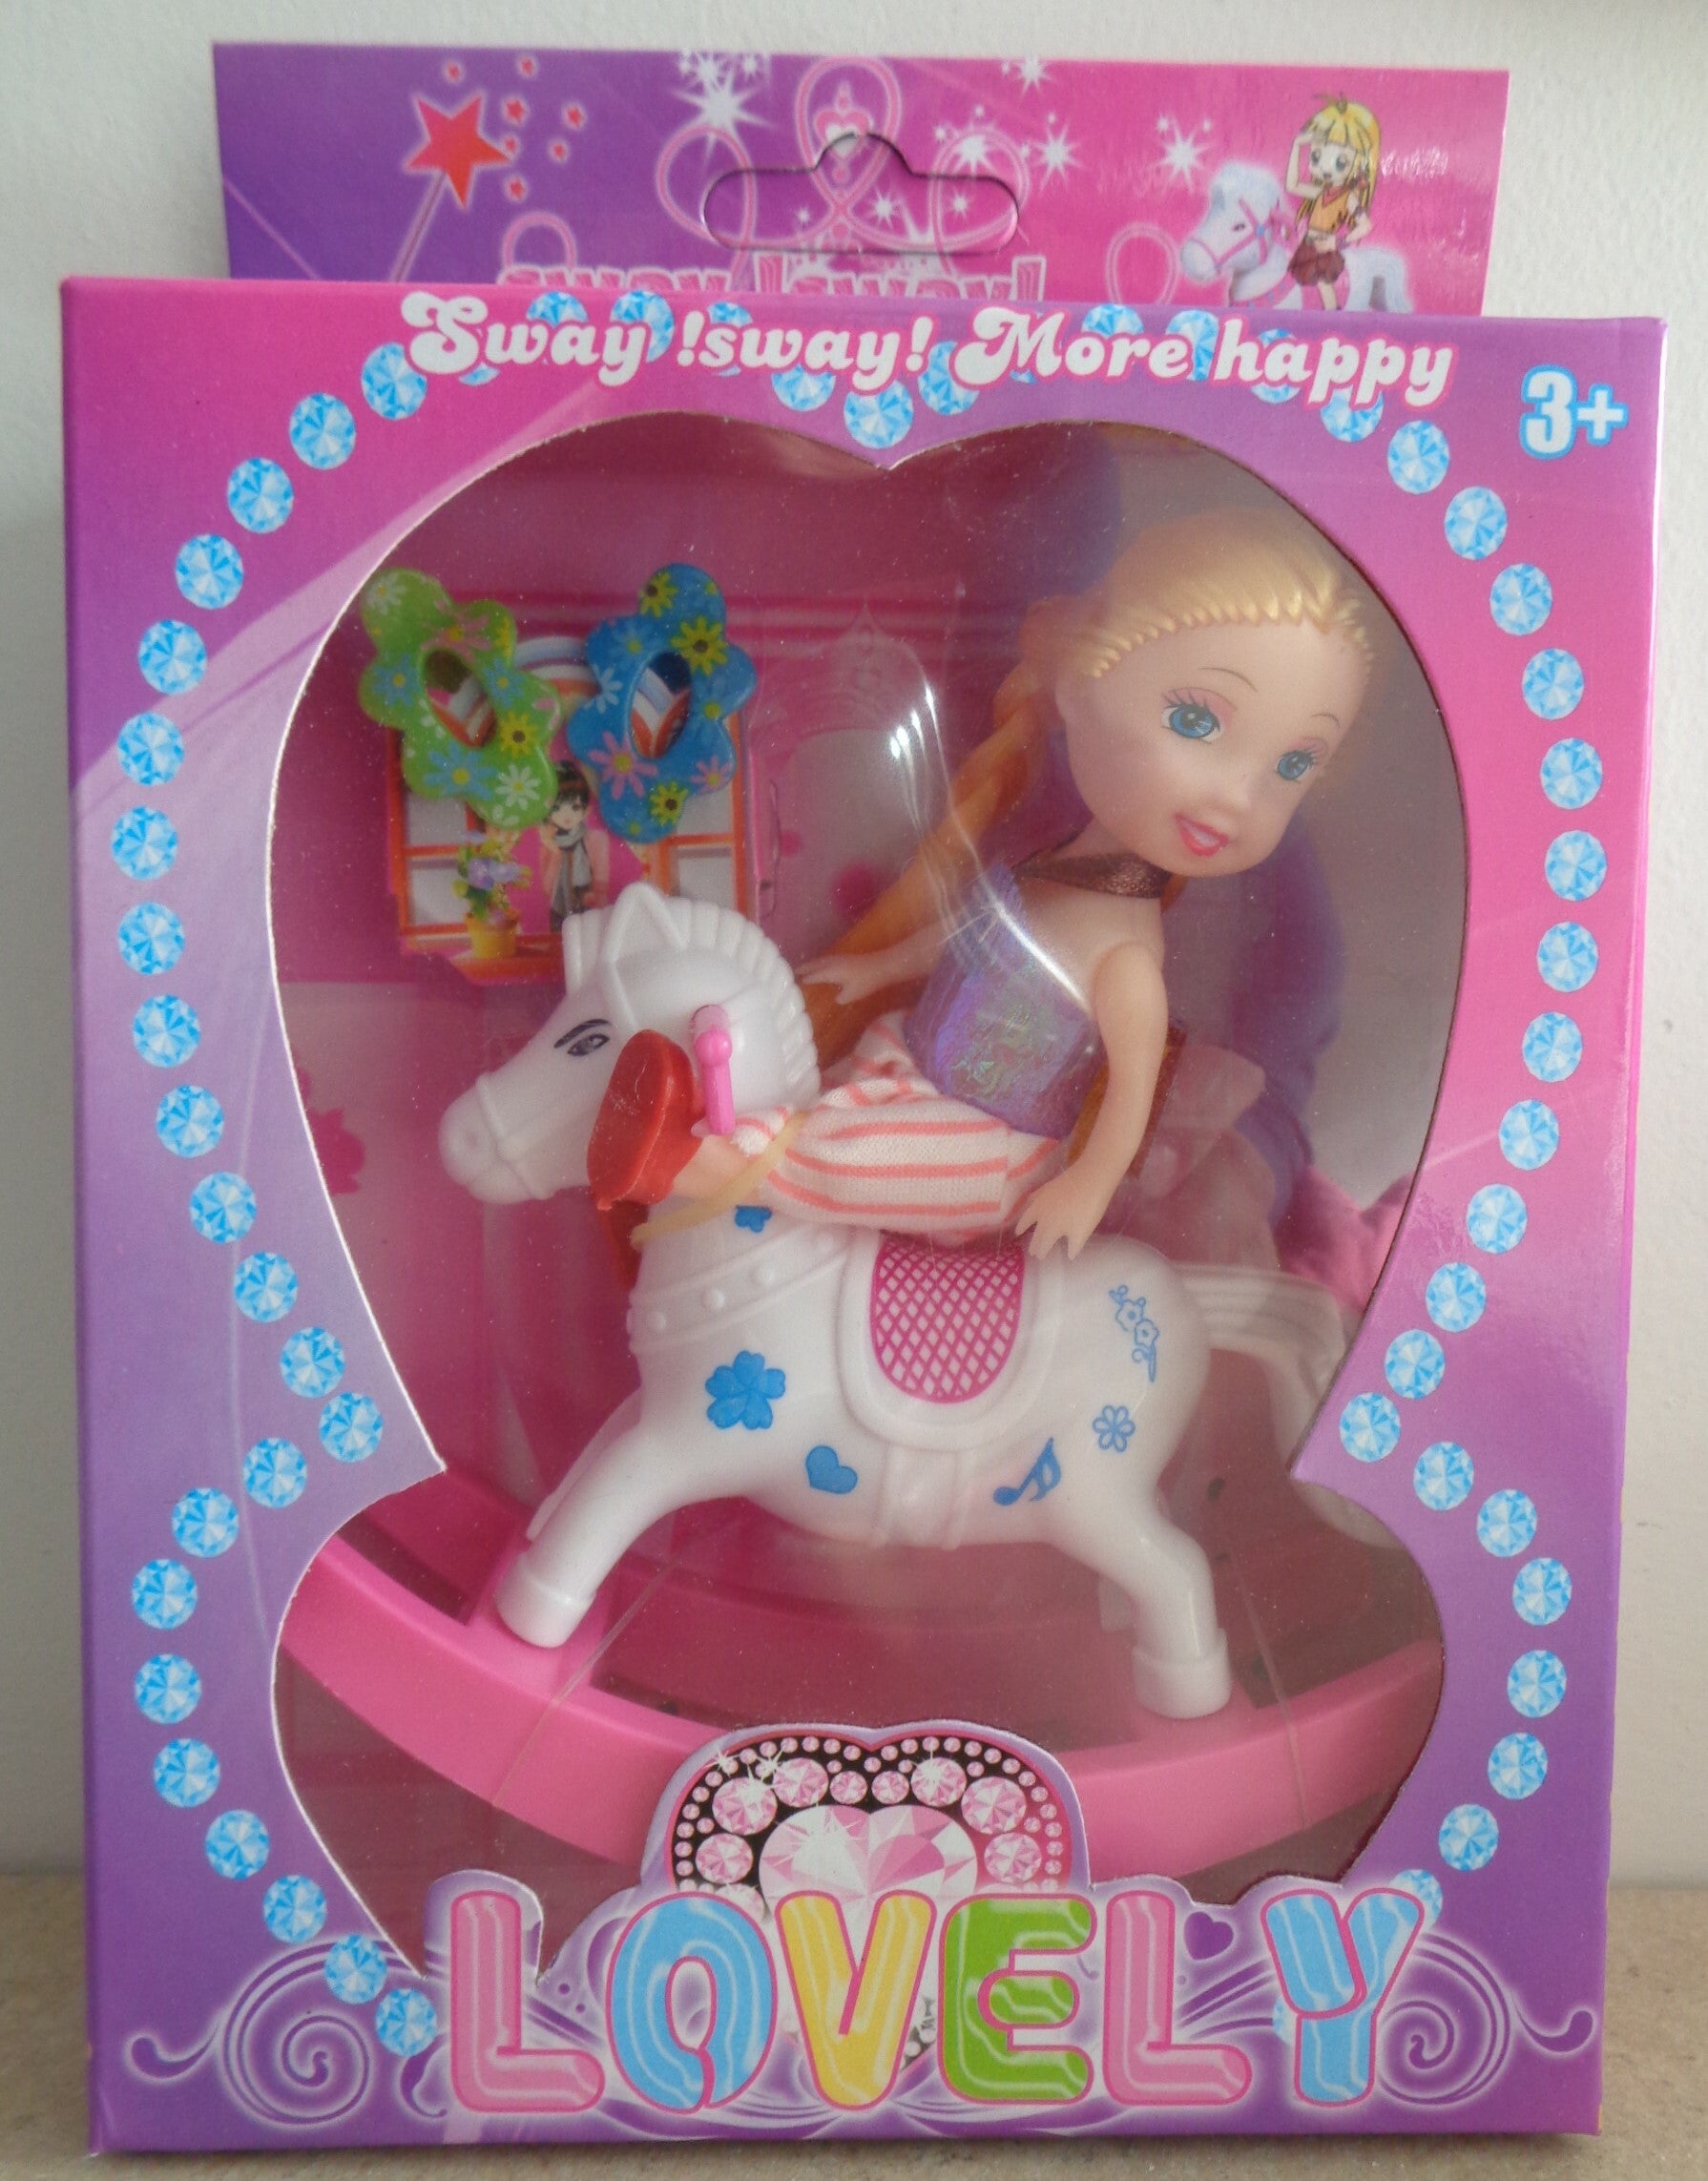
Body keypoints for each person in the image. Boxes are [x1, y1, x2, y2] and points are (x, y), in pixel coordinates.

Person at [590, 505, 1377, 1258]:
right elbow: (975, 933)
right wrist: (878, 967)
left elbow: (1131, 1096)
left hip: (991, 1150)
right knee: (837, 1089)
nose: (1238, 797)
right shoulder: (1055, 865)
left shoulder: (1128, 957)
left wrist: (1088, 1186)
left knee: (851, 1160)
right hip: (918, 1063)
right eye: (1196, 722)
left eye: (1292, 765)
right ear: (1078, 681)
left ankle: (688, 1161)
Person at [1287, 98, 1380, 308]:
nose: (1326, 168)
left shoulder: (1348, 198)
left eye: (1340, 162)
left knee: (1324, 286)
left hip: (1325, 246)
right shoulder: (1321, 192)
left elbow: (1366, 226)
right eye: (1316, 156)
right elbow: (1292, 185)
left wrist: (1338, 242)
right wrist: (1297, 146)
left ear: (1356, 164)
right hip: (1308, 244)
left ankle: (1332, 319)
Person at [537, 759, 609, 928]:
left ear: (585, 810)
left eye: (575, 807)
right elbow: (548, 887)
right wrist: (555, 851)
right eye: (557, 808)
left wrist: (595, 900)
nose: (566, 815)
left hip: (590, 905)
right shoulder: (549, 843)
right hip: (559, 909)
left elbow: (602, 878)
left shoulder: (596, 839)